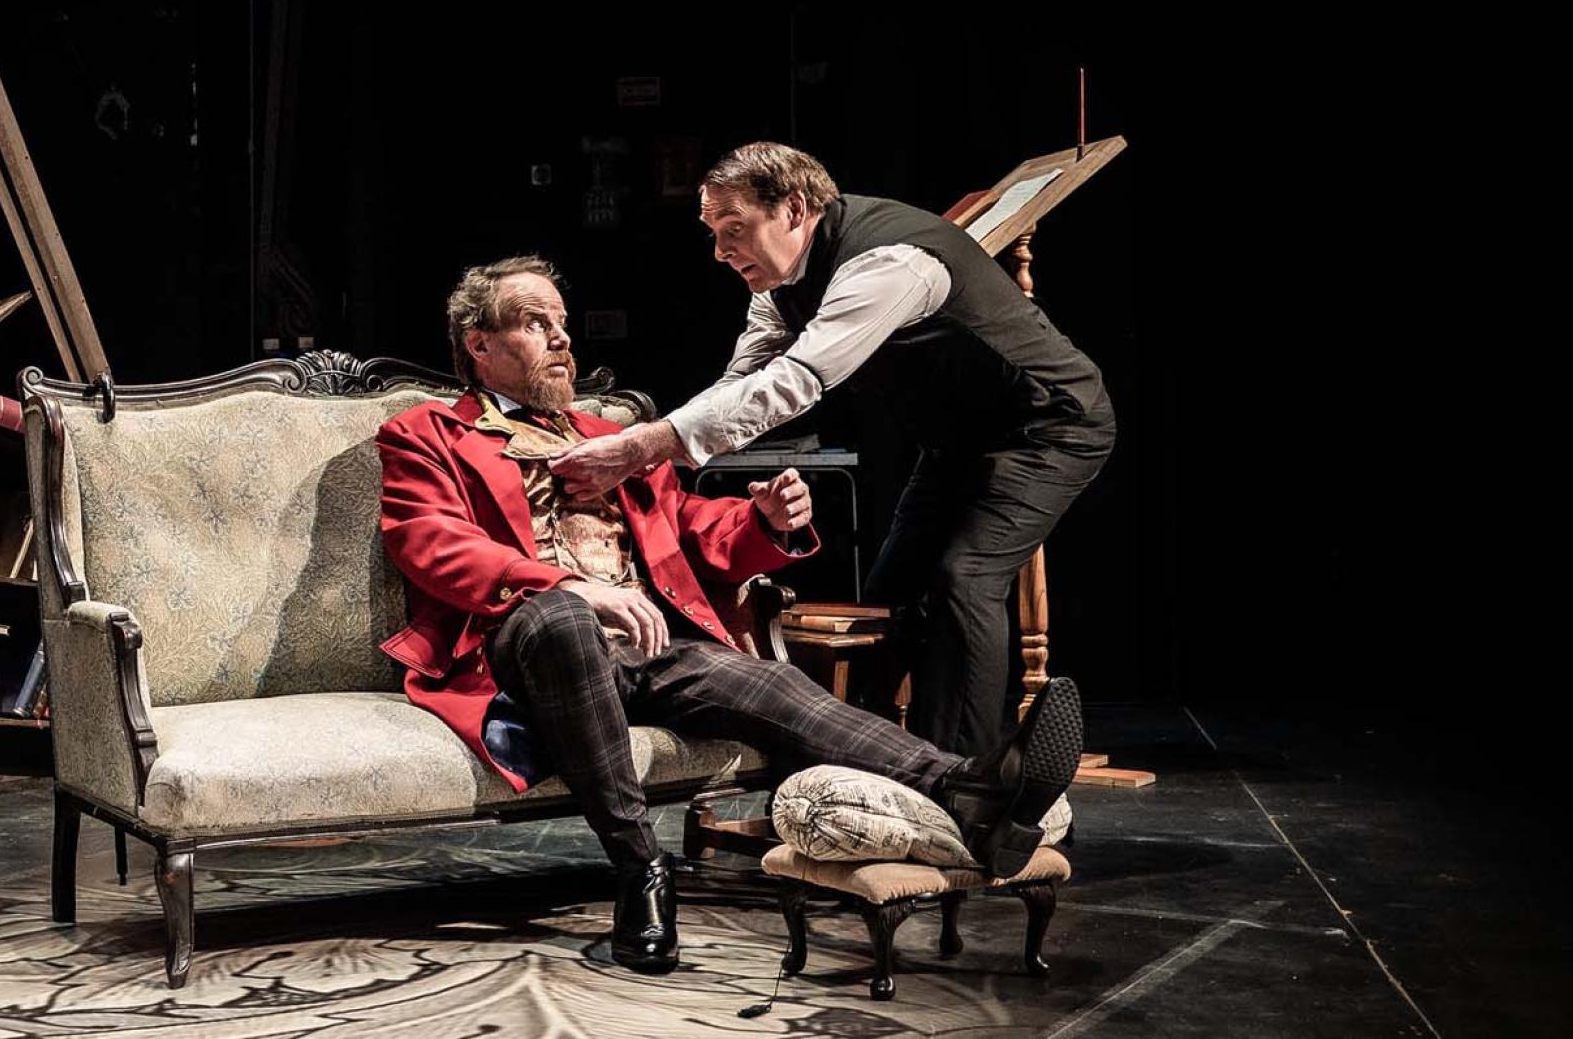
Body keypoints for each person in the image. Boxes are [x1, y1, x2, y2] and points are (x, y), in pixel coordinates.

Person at [377, 254, 1083, 975]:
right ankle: (641, 868)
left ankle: (966, 787)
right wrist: (566, 583)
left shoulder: (609, 432)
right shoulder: (427, 433)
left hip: (647, 642)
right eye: (535, 323)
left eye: (563, 322)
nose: (562, 338)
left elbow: (685, 523)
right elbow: (429, 541)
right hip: (524, 646)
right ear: (479, 343)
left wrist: (764, 521)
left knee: (770, 683)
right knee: (561, 617)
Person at [547, 144, 1115, 758]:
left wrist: (645, 446)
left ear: (793, 208)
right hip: (956, 440)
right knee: (889, 592)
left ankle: (970, 780)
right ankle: (889, 759)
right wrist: (647, 447)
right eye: (713, 233)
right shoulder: (777, 286)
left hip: (1048, 422)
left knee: (965, 580)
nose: (720, 251)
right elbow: (741, 386)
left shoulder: (892, 261)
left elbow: (798, 380)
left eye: (733, 229)